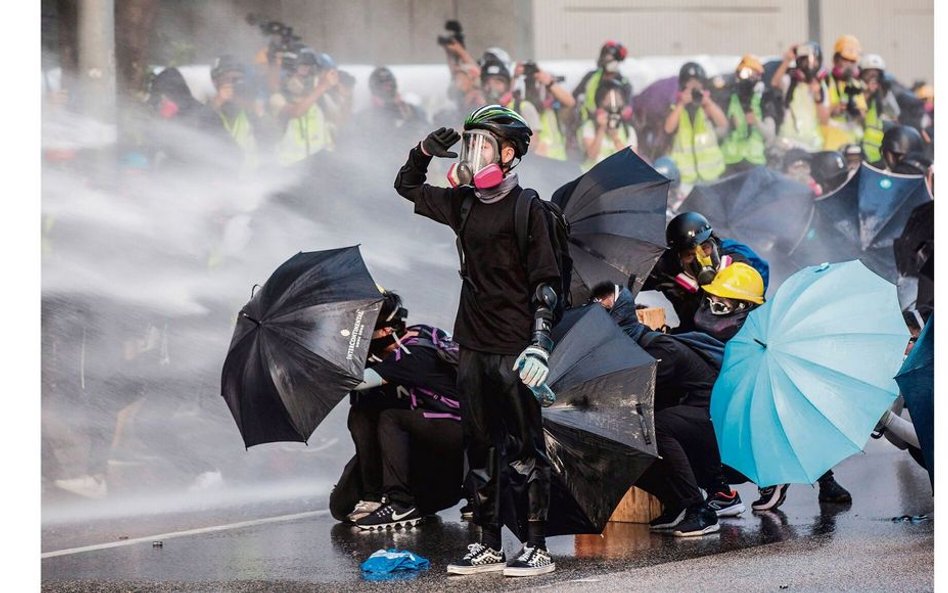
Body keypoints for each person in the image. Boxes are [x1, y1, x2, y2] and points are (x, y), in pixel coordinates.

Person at [394, 105, 561, 576]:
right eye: (471, 143)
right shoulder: (463, 204)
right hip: (472, 344)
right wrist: (423, 152)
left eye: (483, 144)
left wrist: (540, 343)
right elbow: (407, 186)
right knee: (480, 448)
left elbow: (547, 284)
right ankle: (488, 543)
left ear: (507, 154)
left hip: (516, 349)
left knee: (526, 451)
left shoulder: (529, 209)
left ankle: (536, 546)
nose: (473, 153)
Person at [690, 265, 854, 510]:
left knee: (782, 413)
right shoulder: (729, 334)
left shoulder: (769, 338)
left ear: (745, 307)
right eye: (711, 302)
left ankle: (780, 478)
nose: (713, 310)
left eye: (722, 305)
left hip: (773, 395)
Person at [593, 282, 730, 537]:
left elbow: (638, 397)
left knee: (652, 428)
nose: (598, 309)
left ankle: (700, 510)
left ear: (619, 313)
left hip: (711, 418)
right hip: (687, 419)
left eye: (605, 305)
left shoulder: (659, 348)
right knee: (622, 440)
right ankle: (677, 503)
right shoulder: (632, 348)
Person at [341, 291, 466, 530]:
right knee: (340, 506)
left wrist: (324, 368)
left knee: (391, 418)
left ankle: (401, 504)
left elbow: (355, 382)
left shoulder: (408, 355)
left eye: (365, 333)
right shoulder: (420, 331)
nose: (361, 339)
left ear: (386, 331)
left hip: (458, 432)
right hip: (438, 432)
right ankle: (374, 497)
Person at [642, 211, 769, 334]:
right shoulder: (668, 269)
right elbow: (635, 279)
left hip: (732, 334)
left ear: (714, 244)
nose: (699, 258)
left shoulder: (736, 267)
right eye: (689, 254)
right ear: (678, 258)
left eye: (705, 248)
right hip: (690, 332)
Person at [269, 46, 338, 166]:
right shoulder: (277, 99)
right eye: (301, 71)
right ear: (288, 73)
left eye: (309, 71)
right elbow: (296, 112)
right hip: (291, 167)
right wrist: (322, 87)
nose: (304, 80)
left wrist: (345, 94)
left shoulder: (319, 98)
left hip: (320, 165)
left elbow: (340, 120)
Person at [664, 62, 728, 187]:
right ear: (683, 85)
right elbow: (668, 128)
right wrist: (682, 103)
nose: (693, 87)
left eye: (696, 83)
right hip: (685, 178)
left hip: (711, 175)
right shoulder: (676, 106)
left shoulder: (707, 105)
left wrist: (707, 102)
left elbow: (723, 123)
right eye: (689, 83)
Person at [720, 55, 777, 175]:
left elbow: (770, 135)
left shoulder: (764, 99)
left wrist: (756, 122)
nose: (749, 78)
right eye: (745, 73)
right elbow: (719, 131)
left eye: (754, 74)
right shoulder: (728, 97)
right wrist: (730, 125)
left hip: (754, 161)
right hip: (730, 161)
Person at [771, 42, 830, 152]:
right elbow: (775, 83)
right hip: (788, 142)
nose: (810, 66)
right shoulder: (790, 81)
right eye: (805, 61)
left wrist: (817, 96)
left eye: (814, 61)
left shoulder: (821, 86)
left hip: (812, 145)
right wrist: (787, 60)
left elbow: (824, 120)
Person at [208, 55, 263, 172]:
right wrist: (217, 102)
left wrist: (255, 110)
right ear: (215, 82)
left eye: (238, 79)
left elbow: (271, 137)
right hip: (218, 178)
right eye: (228, 79)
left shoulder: (248, 108)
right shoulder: (205, 106)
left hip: (252, 178)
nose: (235, 84)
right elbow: (194, 129)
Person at [519, 60, 575, 161]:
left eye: (542, 86)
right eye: (534, 85)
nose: (538, 90)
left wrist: (549, 83)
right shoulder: (522, 108)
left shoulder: (553, 110)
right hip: (537, 164)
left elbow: (570, 102)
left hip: (558, 163)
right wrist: (515, 77)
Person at [581, 78, 638, 170]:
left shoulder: (629, 131)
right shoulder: (590, 126)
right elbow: (592, 155)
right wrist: (601, 128)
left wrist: (615, 138)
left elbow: (632, 163)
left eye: (618, 100)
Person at [823, 35, 865, 150]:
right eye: (845, 60)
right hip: (828, 145)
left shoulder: (856, 85)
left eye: (852, 61)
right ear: (836, 59)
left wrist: (856, 111)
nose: (849, 65)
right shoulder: (825, 81)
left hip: (851, 146)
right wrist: (834, 109)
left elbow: (862, 115)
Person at [857, 53, 900, 165]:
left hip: (875, 158)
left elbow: (894, 115)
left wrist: (884, 92)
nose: (873, 79)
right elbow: (859, 116)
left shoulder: (880, 97)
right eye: (869, 75)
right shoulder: (855, 92)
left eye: (877, 75)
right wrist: (867, 93)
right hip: (855, 154)